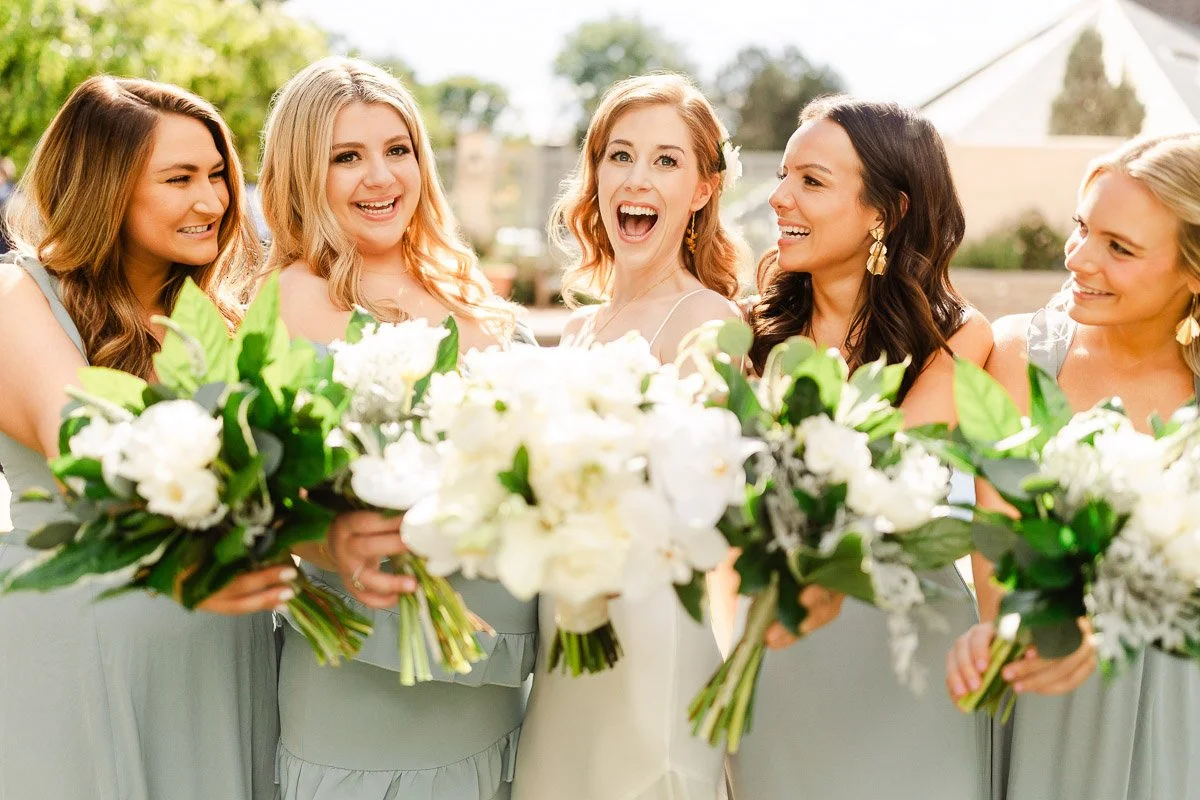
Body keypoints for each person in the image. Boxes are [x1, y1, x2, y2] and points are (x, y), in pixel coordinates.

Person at [0, 75, 286, 800]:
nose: (214, 201)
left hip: (223, 658)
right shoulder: (18, 299)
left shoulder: (215, 319)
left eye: (219, 174)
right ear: (105, 187)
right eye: (179, 178)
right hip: (87, 661)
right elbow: (85, 448)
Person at [258, 56, 536, 800]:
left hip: (492, 689)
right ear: (301, 173)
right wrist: (332, 542)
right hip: (359, 693)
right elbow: (258, 499)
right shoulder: (288, 299)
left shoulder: (474, 299)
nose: (380, 177)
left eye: (397, 149)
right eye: (346, 157)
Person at [729, 95, 994, 800]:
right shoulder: (743, 332)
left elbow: (886, 478)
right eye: (784, 174)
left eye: (811, 181)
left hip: (908, 667)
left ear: (887, 211)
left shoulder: (959, 338)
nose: (778, 197)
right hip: (780, 656)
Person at [511, 72, 745, 800]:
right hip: (566, 629)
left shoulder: (710, 321)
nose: (636, 179)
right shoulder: (579, 327)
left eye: (666, 161)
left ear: (704, 189)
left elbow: (701, 493)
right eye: (620, 156)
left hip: (651, 636)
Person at [946, 133, 1200, 800]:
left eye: (1119, 248)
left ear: (1192, 272)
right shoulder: (1019, 356)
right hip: (1051, 702)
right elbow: (997, 561)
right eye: (1082, 228)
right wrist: (1002, 637)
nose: (1081, 259)